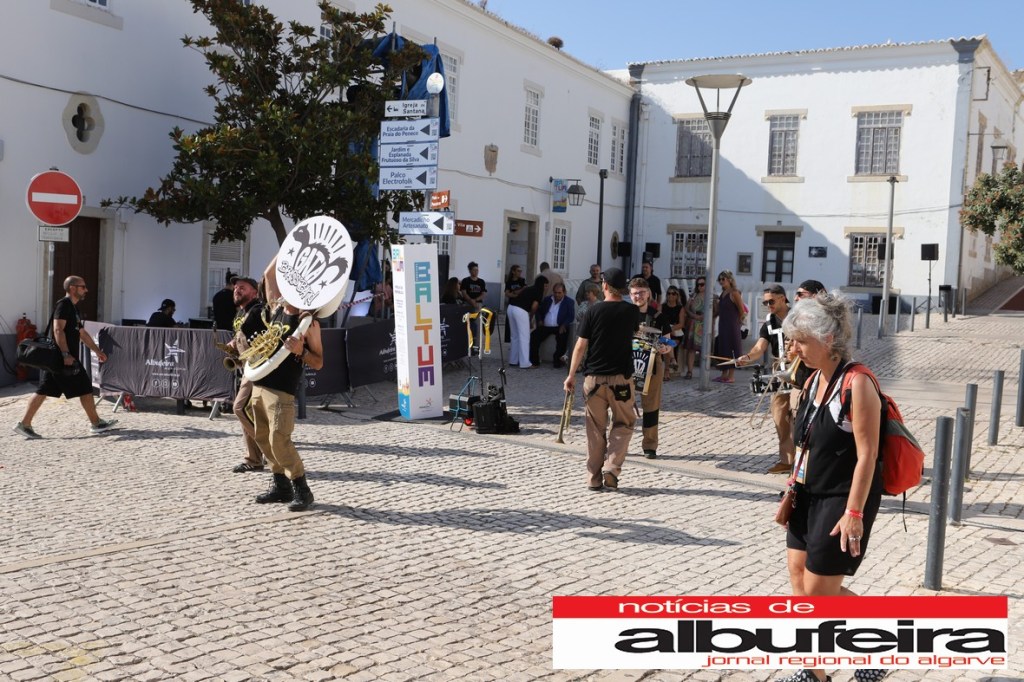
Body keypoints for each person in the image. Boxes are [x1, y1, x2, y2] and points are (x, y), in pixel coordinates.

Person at [776, 293, 886, 682]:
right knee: (799, 583)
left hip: (842, 497)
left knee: (820, 592)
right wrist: (792, 484)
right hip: (807, 494)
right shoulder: (811, 381)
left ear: (827, 338)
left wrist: (853, 513)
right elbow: (807, 442)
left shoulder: (858, 383)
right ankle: (814, 672)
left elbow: (868, 455)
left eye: (800, 341)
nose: (793, 349)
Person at [242, 258, 324, 512]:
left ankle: (302, 489)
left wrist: (301, 351)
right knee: (263, 438)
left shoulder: (308, 321)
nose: (286, 285)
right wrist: (291, 248)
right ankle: (281, 486)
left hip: (281, 390)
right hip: (260, 384)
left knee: (279, 440)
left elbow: (319, 362)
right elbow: (269, 273)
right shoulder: (276, 307)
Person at [563, 268, 640, 491]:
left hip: (594, 379)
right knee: (624, 423)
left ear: (604, 285)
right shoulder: (631, 312)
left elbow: (580, 345)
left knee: (595, 429)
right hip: (621, 379)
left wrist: (571, 375)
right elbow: (635, 335)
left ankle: (593, 478)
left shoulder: (593, 311)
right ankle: (612, 468)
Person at [14, 276, 118, 439]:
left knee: (44, 390)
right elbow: (58, 329)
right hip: (63, 358)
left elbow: (82, 333)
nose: (86, 290)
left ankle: (24, 424)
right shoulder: (63, 305)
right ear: (72, 288)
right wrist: (65, 354)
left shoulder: (73, 308)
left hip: (60, 358)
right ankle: (96, 423)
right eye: (83, 287)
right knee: (85, 387)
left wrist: (97, 351)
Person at [736, 285, 800, 474]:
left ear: (782, 298)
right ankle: (786, 461)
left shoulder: (798, 318)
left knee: (799, 417)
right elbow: (759, 348)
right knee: (780, 417)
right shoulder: (769, 323)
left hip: (800, 371)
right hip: (779, 372)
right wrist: (747, 358)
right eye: (765, 302)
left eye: (771, 301)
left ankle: (801, 462)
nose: (768, 305)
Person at [225, 276, 268, 473]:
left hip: (259, 367)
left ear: (254, 292)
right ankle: (253, 460)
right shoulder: (240, 313)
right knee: (248, 415)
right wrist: (234, 345)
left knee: (239, 408)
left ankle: (271, 450)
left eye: (242, 287)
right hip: (247, 368)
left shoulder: (258, 311)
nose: (237, 290)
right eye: (235, 287)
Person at [628, 277, 674, 459]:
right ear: (630, 295)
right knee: (621, 406)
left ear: (648, 294)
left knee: (651, 407)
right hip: (627, 366)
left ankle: (650, 445)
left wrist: (665, 348)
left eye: (641, 292)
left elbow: (668, 341)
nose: (638, 296)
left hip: (652, 366)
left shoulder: (659, 317)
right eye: (634, 293)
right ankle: (618, 443)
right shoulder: (624, 314)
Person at [530, 282, 574, 368]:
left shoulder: (569, 302)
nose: (557, 295)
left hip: (560, 326)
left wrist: (564, 325)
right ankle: (534, 361)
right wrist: (539, 320)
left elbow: (570, 316)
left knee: (562, 338)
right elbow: (539, 311)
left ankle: (557, 361)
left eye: (559, 293)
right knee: (534, 336)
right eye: (555, 292)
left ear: (564, 292)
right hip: (545, 326)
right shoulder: (547, 299)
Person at [713, 269, 744, 383]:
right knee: (723, 348)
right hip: (723, 324)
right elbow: (718, 311)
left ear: (729, 280)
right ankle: (723, 374)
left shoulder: (734, 293)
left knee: (732, 348)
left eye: (723, 279)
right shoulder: (723, 294)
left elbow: (741, 310)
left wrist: (738, 322)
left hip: (732, 325)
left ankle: (731, 376)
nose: (721, 281)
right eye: (719, 279)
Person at [507, 275, 545, 369]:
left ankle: (513, 360)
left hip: (511, 308)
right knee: (525, 337)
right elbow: (534, 307)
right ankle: (525, 363)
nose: (547, 287)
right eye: (546, 285)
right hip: (521, 310)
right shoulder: (539, 292)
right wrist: (530, 318)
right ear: (542, 285)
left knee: (515, 336)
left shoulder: (529, 288)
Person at [658, 286, 686, 379]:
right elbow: (658, 321)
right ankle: (673, 361)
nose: (671, 295)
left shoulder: (680, 308)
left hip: (676, 333)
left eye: (673, 293)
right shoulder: (662, 306)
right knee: (667, 342)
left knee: (667, 343)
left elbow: (681, 324)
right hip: (664, 333)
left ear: (677, 296)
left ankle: (667, 371)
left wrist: (671, 329)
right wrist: (667, 330)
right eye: (669, 293)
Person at [683, 277, 706, 380]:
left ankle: (704, 373)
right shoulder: (693, 295)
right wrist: (693, 315)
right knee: (691, 349)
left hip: (704, 324)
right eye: (698, 284)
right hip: (693, 323)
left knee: (704, 349)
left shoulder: (711, 297)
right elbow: (686, 308)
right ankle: (690, 371)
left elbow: (715, 310)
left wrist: (706, 317)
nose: (700, 286)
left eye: (702, 284)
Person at [503, 264, 526, 343]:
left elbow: (524, 290)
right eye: (518, 271)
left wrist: (515, 292)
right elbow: (507, 293)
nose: (520, 272)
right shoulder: (509, 282)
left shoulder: (522, 280)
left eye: (520, 271)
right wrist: (515, 294)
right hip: (512, 304)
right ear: (513, 272)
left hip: (520, 305)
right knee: (510, 324)